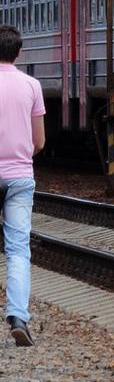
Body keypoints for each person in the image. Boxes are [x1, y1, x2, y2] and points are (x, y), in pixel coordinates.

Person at [0, 24, 45, 346]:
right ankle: (18, 316)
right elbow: (39, 141)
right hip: (19, 176)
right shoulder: (31, 85)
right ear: (19, 52)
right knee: (17, 250)